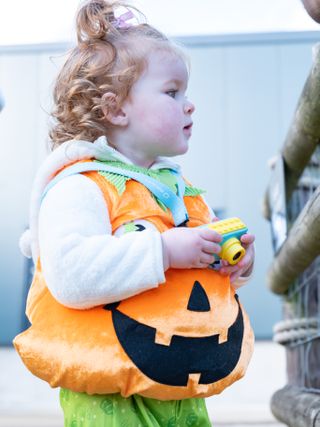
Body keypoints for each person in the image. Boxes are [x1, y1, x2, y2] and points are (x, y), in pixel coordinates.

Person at [17, 1, 255, 425]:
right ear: (116, 109)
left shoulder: (172, 190)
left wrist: (226, 264)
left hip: (177, 386)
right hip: (110, 398)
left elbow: (186, 288)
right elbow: (70, 275)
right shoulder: (80, 187)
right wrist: (163, 250)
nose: (189, 104)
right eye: (172, 92)